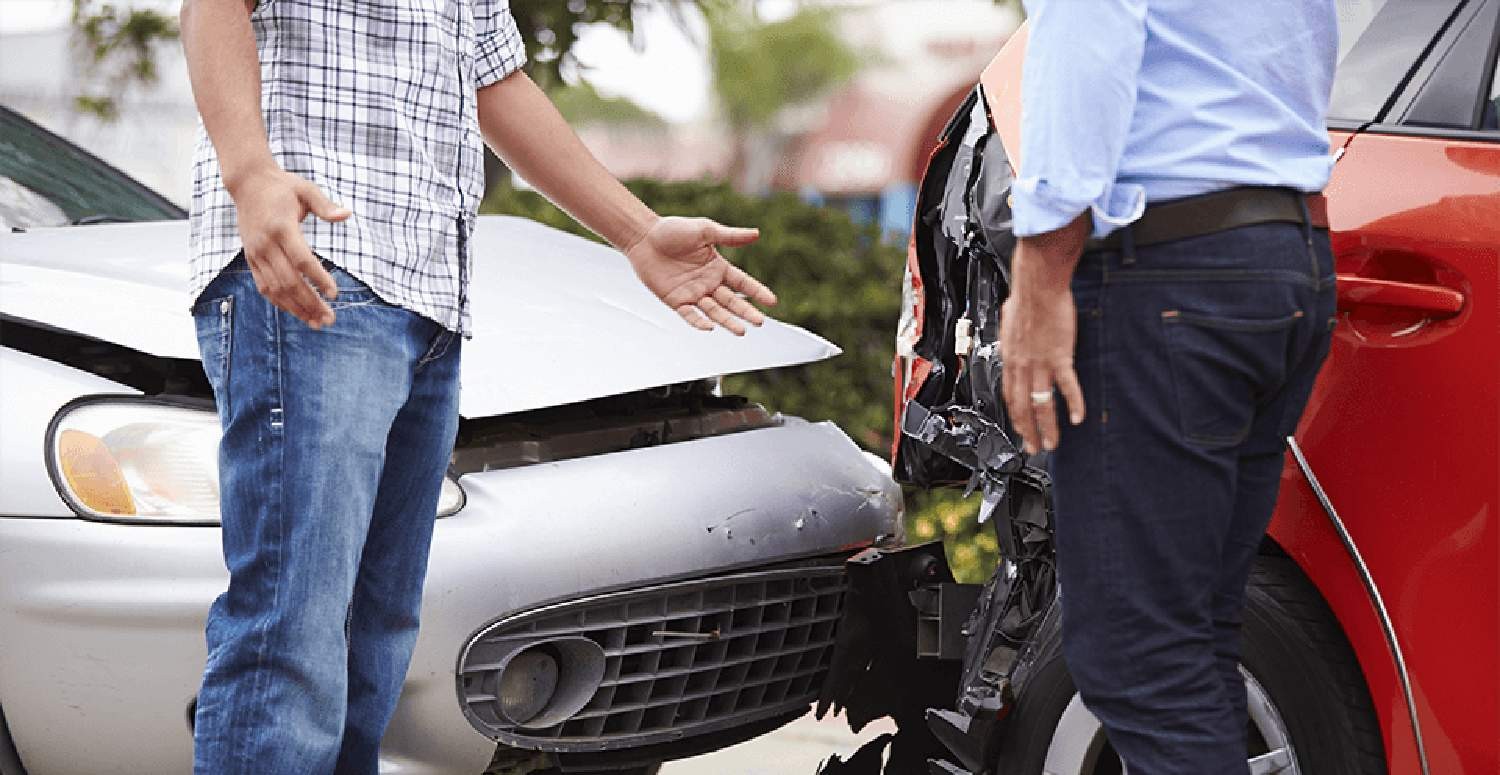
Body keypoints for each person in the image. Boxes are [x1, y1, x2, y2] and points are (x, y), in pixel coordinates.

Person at [178, 1, 776, 772]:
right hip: (316, 270)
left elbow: (496, 82)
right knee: (289, 634)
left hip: (426, 299)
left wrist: (635, 231)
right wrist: (250, 170)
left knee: (374, 643)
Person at [997, 1, 1338, 773]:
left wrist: (1041, 273)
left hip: (1172, 271)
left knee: (1139, 657)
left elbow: (1089, 27)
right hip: (1285, 255)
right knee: (1194, 640)